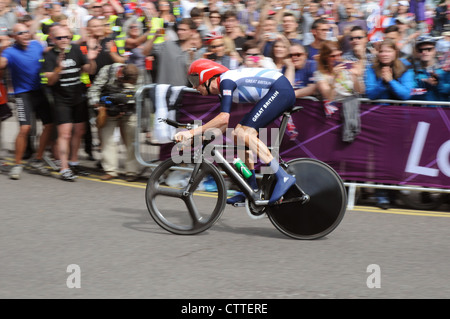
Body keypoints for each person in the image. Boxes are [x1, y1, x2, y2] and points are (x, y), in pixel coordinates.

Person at [174, 59, 297, 206]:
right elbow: (222, 127)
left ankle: (282, 176)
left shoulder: (226, 81)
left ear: (207, 76)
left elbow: (224, 118)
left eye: (195, 80)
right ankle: (250, 189)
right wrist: (194, 140)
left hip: (280, 90)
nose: (194, 87)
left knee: (244, 134)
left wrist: (192, 132)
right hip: (275, 91)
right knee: (237, 135)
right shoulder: (222, 90)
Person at [41, 25, 99, 181]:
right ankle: (64, 167)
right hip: (61, 99)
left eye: (67, 37)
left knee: (79, 131)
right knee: (65, 134)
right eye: (60, 38)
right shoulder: (49, 56)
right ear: (53, 39)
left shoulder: (75, 49)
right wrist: (58, 69)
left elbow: (89, 70)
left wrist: (91, 60)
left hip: (78, 97)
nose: (64, 40)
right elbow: (51, 81)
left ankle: (74, 162)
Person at [0, 23, 54, 180]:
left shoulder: (37, 45)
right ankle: (17, 164)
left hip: (40, 91)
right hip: (23, 94)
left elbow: (50, 52)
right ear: (14, 36)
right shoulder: (10, 51)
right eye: (20, 33)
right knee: (25, 128)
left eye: (26, 32)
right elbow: (2, 63)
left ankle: (37, 159)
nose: (24, 35)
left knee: (49, 126)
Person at [88, 63, 142, 181]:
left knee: (132, 140)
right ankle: (110, 170)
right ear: (120, 74)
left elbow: (141, 94)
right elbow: (94, 90)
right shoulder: (107, 71)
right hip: (109, 108)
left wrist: (128, 101)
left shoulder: (139, 74)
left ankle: (132, 171)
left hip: (129, 110)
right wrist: (99, 106)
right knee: (108, 138)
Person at [143, 18, 200, 86]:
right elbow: (145, 52)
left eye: (183, 30)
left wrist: (191, 58)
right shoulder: (167, 45)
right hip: (162, 92)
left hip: (181, 93)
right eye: (179, 29)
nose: (179, 32)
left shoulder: (195, 54)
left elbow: (195, 82)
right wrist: (154, 37)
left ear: (193, 32)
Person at [412, 35, 450, 102]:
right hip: (422, 111)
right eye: (421, 50)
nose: (424, 52)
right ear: (417, 52)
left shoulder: (445, 70)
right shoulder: (412, 71)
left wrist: (438, 84)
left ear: (434, 50)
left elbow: (447, 90)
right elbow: (410, 93)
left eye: (429, 49)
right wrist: (425, 87)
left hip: (442, 111)